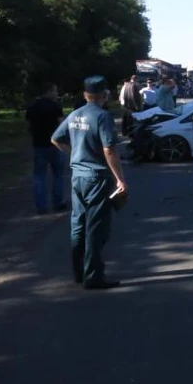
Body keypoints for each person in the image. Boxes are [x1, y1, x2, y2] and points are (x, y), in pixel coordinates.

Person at [51, 76, 128, 289]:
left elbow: (56, 139)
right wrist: (120, 179)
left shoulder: (75, 114)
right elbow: (109, 149)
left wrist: (74, 154)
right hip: (97, 178)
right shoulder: (102, 117)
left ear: (85, 95)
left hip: (78, 176)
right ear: (104, 94)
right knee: (96, 228)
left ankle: (79, 271)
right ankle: (93, 276)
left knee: (78, 224)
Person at [25, 84, 67, 215]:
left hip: (38, 145)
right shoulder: (55, 106)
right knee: (58, 175)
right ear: (48, 91)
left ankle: (41, 206)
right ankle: (58, 202)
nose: (56, 93)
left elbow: (27, 125)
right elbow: (62, 124)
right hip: (54, 144)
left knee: (39, 177)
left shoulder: (32, 107)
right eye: (55, 91)